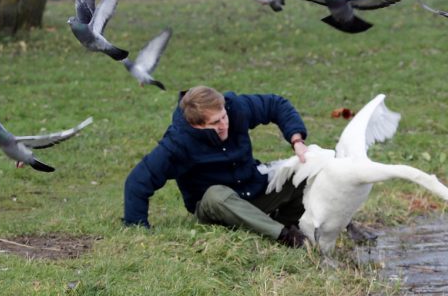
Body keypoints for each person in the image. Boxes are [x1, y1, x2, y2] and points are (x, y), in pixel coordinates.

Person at [123, 85, 311, 247]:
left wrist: (296, 140)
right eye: (215, 122)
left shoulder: (234, 108)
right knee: (216, 195)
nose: (223, 125)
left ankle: (287, 223)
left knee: (303, 171)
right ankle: (285, 236)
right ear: (195, 125)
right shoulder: (178, 143)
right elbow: (137, 182)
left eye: (223, 117)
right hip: (215, 208)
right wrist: (138, 230)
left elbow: (275, 104)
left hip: (252, 190)